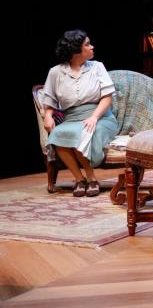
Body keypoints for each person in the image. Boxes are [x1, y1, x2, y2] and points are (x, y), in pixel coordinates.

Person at [43, 29, 118, 197]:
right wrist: (48, 116)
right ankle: (79, 179)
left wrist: (94, 117)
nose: (92, 47)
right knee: (58, 133)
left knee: (83, 131)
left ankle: (91, 178)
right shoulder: (55, 72)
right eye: (87, 44)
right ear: (76, 50)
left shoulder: (97, 67)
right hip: (72, 118)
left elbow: (107, 97)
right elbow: (49, 101)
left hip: (101, 117)